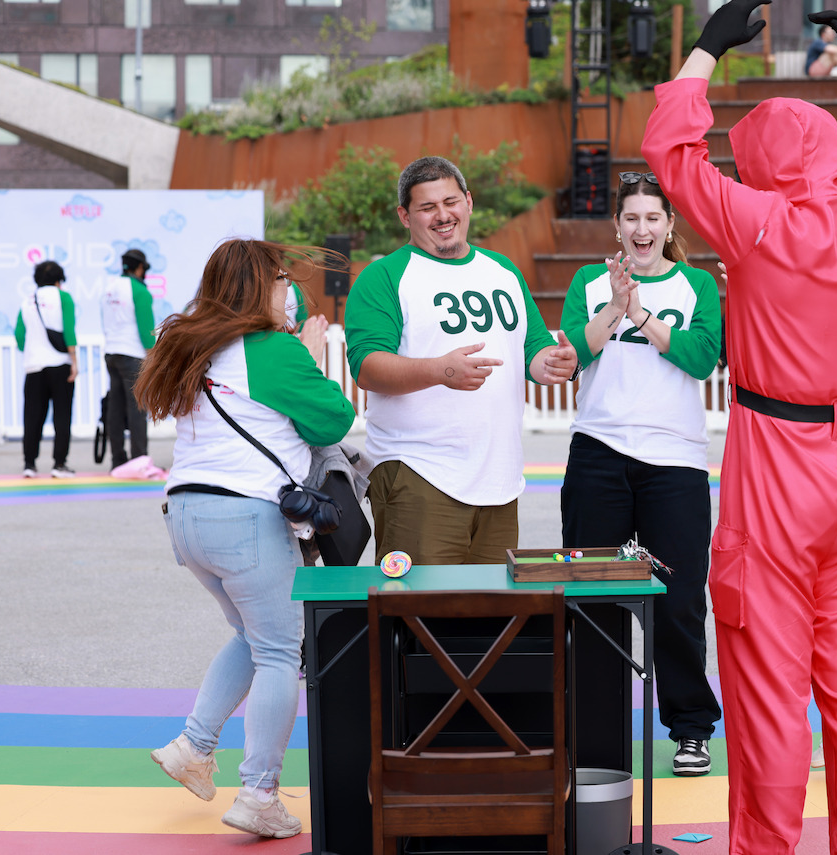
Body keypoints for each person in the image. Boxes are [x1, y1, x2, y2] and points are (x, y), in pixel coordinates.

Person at [642, 2, 837, 851]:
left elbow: (668, 151)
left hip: (775, 463)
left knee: (768, 688)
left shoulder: (754, 224)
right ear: (833, 155)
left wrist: (705, 49)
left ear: (761, 162)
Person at [137, 239, 354, 838]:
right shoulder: (272, 352)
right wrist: (304, 355)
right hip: (246, 521)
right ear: (264, 288)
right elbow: (334, 419)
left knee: (251, 636)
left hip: (185, 518)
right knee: (284, 652)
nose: (290, 290)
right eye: (284, 280)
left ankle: (193, 746)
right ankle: (259, 793)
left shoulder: (189, 347)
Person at [559, 171, 722, 777]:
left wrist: (644, 312)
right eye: (632, 218)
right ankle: (593, 731)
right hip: (598, 454)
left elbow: (702, 357)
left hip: (674, 462)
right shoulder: (588, 281)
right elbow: (577, 352)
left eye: (654, 218)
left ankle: (690, 727)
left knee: (678, 600)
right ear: (617, 226)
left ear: (670, 226)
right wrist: (614, 305)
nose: (642, 229)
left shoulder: (697, 284)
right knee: (591, 597)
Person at [344, 155, 577, 565]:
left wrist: (551, 363)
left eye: (450, 202)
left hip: (499, 479)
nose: (442, 215)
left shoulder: (503, 270)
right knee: (420, 616)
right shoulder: (384, 277)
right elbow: (367, 367)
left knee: (491, 619)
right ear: (404, 216)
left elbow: (532, 350)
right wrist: (439, 370)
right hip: (419, 474)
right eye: (427, 207)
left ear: (469, 202)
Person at [103, 248, 164, 479]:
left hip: (111, 351)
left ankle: (118, 460)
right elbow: (146, 329)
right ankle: (139, 460)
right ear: (140, 268)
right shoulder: (140, 291)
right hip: (132, 354)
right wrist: (154, 355)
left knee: (115, 408)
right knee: (138, 408)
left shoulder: (109, 288)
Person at [15, 260, 78, 478]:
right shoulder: (64, 297)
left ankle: (29, 464)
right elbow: (69, 330)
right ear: (59, 280)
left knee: (32, 417)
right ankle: (59, 464)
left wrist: (33, 350)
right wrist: (74, 361)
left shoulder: (28, 301)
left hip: (34, 366)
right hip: (60, 365)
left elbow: (19, 337)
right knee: (62, 416)